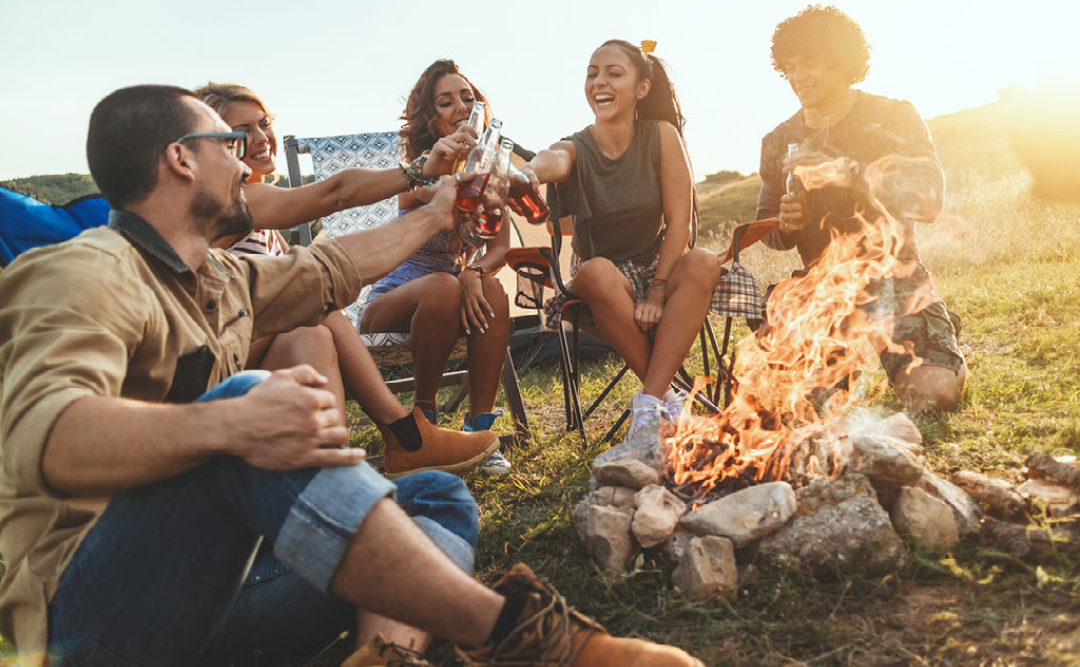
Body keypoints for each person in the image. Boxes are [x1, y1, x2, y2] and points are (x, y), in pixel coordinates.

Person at [0, 84, 703, 667]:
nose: (247, 165)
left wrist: (434, 210)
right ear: (181, 160)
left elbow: (331, 270)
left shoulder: (214, 278)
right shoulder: (85, 271)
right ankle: (529, 638)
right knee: (247, 403)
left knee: (434, 497)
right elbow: (47, 434)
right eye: (232, 146)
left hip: (213, 599)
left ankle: (383, 656)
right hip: (92, 621)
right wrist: (225, 422)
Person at [192, 81, 496, 480]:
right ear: (212, 144)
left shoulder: (262, 222)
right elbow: (336, 193)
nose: (261, 137)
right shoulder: (230, 202)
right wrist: (420, 171)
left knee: (311, 332)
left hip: (249, 351)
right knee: (312, 297)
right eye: (241, 131)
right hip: (209, 363)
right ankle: (405, 434)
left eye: (263, 123)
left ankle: (336, 472)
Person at [515, 40, 756, 436]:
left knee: (705, 261)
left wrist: (659, 290)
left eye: (613, 73)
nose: (599, 82)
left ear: (641, 88)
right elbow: (553, 158)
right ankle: (667, 397)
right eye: (592, 73)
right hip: (602, 284)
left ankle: (650, 403)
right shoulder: (575, 145)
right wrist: (530, 173)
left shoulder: (661, 136)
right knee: (594, 271)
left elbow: (680, 222)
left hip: (656, 266)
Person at [755, 5, 967, 412]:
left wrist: (851, 173)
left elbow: (929, 200)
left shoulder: (892, 116)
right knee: (805, 406)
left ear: (840, 62)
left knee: (932, 395)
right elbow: (771, 229)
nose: (798, 77)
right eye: (790, 67)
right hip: (821, 290)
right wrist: (785, 224)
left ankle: (939, 337)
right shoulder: (778, 139)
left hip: (895, 282)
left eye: (810, 64)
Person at [359, 60, 513, 475]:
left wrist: (475, 272)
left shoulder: (491, 172)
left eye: (468, 97)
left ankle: (479, 427)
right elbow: (427, 197)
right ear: (432, 118)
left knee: (492, 290)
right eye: (447, 102)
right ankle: (421, 430)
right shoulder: (422, 168)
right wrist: (460, 171)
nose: (461, 107)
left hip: (445, 302)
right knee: (444, 285)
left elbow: (499, 248)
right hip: (391, 302)